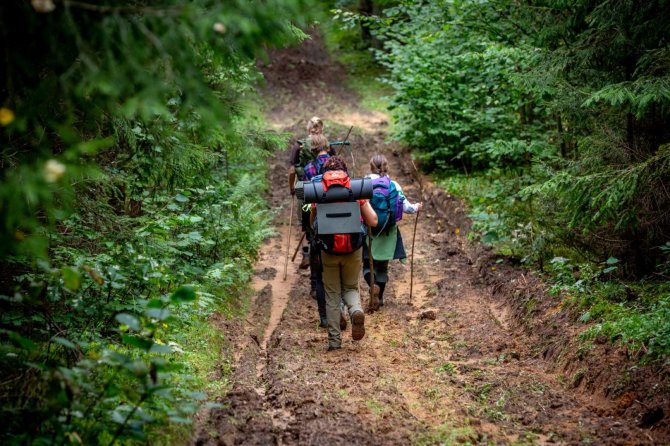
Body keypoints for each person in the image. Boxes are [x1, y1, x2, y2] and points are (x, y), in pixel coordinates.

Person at [310, 156, 378, 351]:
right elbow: (373, 221)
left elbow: (312, 224)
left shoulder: (319, 191)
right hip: (353, 248)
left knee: (332, 295)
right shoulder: (355, 190)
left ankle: (334, 341)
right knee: (350, 287)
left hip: (328, 250)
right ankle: (356, 311)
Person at [363, 154, 422, 308]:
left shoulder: (363, 184)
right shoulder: (393, 185)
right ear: (386, 167)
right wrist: (417, 207)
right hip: (388, 231)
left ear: (370, 167)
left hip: (368, 231)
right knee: (382, 266)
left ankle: (372, 287)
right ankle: (380, 297)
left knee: (367, 265)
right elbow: (406, 207)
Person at [288, 116, 325, 271]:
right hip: (324, 189)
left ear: (308, 129)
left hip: (304, 189)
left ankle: (306, 253)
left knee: (304, 222)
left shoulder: (299, 145)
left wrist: (292, 188)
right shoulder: (326, 145)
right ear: (322, 129)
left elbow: (291, 170)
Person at [301, 134, 331, 327]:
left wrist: (307, 227)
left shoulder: (308, 169)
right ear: (327, 146)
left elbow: (305, 199)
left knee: (319, 273)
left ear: (312, 149)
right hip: (341, 224)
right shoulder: (339, 165)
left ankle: (324, 317)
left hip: (317, 222)